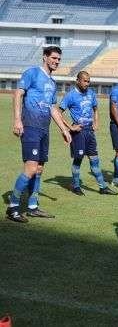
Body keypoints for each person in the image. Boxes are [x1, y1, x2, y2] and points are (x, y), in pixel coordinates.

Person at [6, 46, 72, 222]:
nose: (56, 62)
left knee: (40, 169)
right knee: (31, 168)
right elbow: (18, 94)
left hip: (44, 129)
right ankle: (12, 207)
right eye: (54, 58)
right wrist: (17, 120)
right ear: (45, 57)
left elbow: (52, 108)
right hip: (31, 127)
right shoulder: (32, 73)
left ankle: (33, 207)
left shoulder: (52, 82)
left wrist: (64, 129)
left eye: (59, 59)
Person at [59, 71, 117, 196]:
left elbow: (95, 109)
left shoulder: (91, 93)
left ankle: (103, 187)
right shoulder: (70, 95)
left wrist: (96, 122)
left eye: (88, 81)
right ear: (78, 81)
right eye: (84, 81)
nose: (87, 83)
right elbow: (58, 113)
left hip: (90, 132)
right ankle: (76, 185)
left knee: (94, 159)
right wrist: (70, 127)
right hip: (78, 133)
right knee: (78, 160)